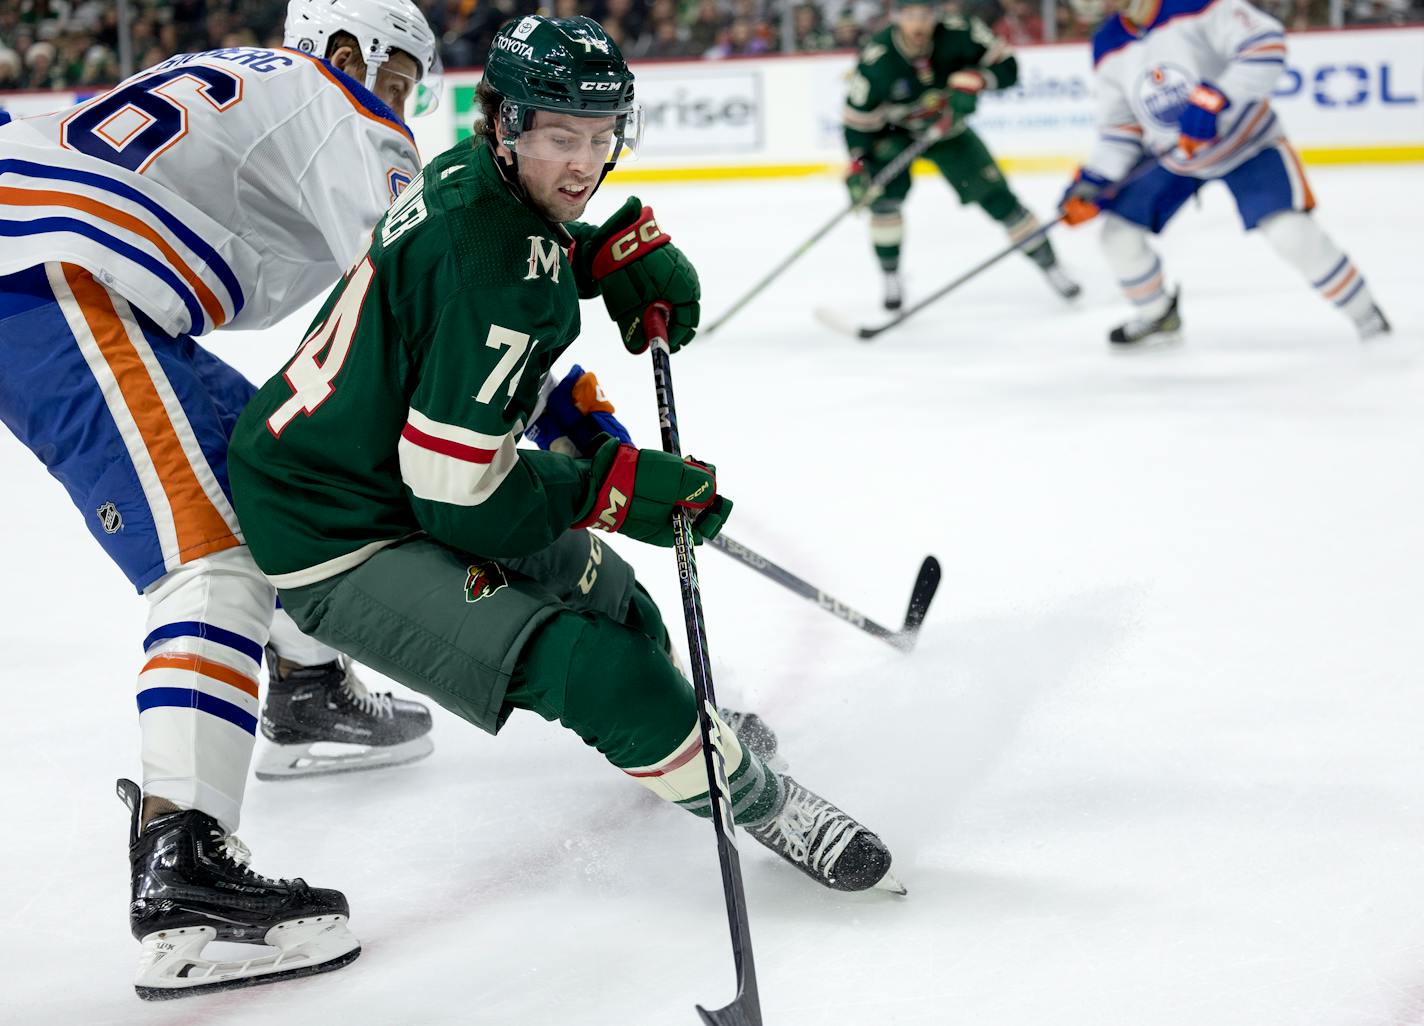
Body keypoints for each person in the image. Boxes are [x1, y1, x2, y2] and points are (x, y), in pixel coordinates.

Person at [226, 14, 902, 921]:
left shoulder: (471, 177)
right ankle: (762, 805)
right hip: (336, 531)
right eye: (557, 137)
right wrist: (608, 489)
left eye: (599, 137)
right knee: (594, 670)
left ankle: (689, 740)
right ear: (504, 126)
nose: (583, 164)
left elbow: (500, 259)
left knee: (617, 598)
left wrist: (597, 255)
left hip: (382, 473)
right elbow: (462, 502)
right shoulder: (493, 274)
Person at [0, 0, 442, 998]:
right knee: (212, 560)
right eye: (400, 75)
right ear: (346, 48)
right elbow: (426, 298)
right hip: (52, 278)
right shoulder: (339, 101)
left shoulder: (253, 78)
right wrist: (559, 422)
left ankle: (303, 687)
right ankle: (184, 872)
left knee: (269, 473)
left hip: (62, 268)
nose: (403, 102)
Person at [1059, 0, 1391, 346]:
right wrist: (1093, 182)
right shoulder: (1107, 43)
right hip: (1175, 157)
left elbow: (1266, 43)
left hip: (1246, 143)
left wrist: (1217, 97)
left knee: (1289, 233)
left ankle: (1365, 314)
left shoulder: (1194, 4)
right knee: (1117, 235)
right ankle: (1157, 315)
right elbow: (1120, 128)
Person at [842, 0, 1080, 310]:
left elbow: (1008, 68)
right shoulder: (877, 60)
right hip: (895, 136)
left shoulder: (961, 32)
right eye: (910, 16)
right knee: (883, 201)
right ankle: (891, 277)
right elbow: (857, 122)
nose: (919, 25)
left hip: (949, 133)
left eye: (925, 15)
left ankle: (1051, 266)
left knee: (999, 199)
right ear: (896, 18)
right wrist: (859, 164)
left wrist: (980, 79)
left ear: (936, 15)